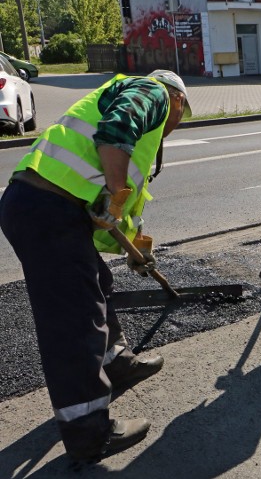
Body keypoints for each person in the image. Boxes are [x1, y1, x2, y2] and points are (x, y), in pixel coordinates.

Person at [0, 69, 192, 462]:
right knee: (73, 322)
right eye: (181, 116)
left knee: (97, 283)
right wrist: (116, 199)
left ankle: (116, 362)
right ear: (178, 99)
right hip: (48, 208)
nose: (174, 127)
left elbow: (110, 220)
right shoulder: (153, 92)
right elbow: (115, 132)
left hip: (49, 208)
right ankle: (89, 432)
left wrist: (137, 251)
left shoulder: (136, 123)